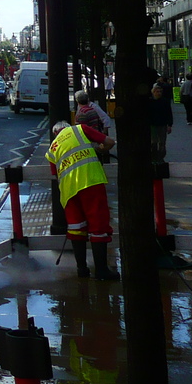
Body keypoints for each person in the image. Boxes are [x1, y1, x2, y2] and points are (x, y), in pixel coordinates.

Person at [45, 120, 120, 281]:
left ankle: (82, 269)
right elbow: (109, 142)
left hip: (69, 191)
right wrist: (99, 150)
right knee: (98, 225)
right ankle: (101, 270)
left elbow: (56, 173)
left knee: (76, 228)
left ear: (55, 134)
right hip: (90, 181)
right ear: (67, 127)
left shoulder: (51, 150)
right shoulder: (79, 129)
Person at [145, 82, 173, 163]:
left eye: (160, 92)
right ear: (153, 92)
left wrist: (169, 124)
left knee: (162, 142)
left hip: (162, 124)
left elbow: (169, 113)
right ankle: (154, 157)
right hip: (153, 124)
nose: (159, 93)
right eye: (157, 92)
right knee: (153, 142)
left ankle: (160, 157)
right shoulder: (150, 102)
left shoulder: (165, 101)